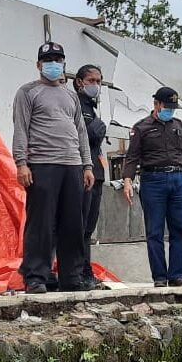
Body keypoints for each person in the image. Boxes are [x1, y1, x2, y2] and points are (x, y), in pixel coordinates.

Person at [13, 42, 94, 294]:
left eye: (58, 59)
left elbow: (81, 132)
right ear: (39, 65)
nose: (54, 64)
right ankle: (36, 276)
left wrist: (87, 165)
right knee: (41, 224)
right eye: (48, 60)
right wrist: (21, 163)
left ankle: (71, 276)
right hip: (42, 164)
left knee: (73, 224)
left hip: (72, 165)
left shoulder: (70, 95)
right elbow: (20, 128)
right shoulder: (27, 92)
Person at [121, 87, 182, 287]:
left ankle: (177, 274)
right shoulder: (141, 128)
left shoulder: (178, 125)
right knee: (154, 231)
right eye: (167, 107)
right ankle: (160, 277)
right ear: (156, 104)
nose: (170, 111)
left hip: (178, 178)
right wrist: (127, 180)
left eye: (173, 108)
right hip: (153, 179)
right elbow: (132, 157)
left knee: (180, 229)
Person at [74, 64, 106, 289]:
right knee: (79, 225)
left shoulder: (93, 108)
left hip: (96, 172)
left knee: (88, 228)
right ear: (79, 82)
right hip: (82, 172)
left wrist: (98, 126)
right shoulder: (75, 104)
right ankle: (78, 271)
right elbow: (90, 133)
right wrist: (99, 126)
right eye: (92, 80)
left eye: (99, 81)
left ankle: (86, 271)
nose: (96, 85)